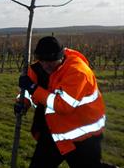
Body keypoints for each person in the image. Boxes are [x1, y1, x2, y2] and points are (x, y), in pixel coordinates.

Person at [16, 36, 116, 168]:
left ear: (61, 56)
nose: (46, 65)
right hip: (52, 134)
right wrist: (23, 102)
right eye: (42, 61)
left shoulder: (77, 72)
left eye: (50, 61)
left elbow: (63, 105)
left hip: (83, 137)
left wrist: (33, 88)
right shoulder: (38, 68)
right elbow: (30, 91)